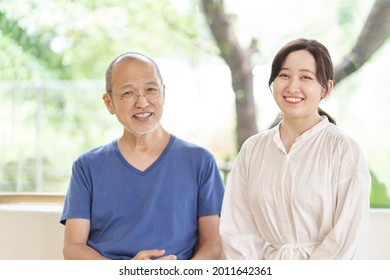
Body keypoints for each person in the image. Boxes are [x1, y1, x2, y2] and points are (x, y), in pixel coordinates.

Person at [60, 52, 225, 260]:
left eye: (151, 90)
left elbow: (212, 244)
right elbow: (73, 248)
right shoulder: (86, 166)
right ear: (109, 102)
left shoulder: (200, 162)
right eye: (128, 93)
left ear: (163, 93)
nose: (142, 103)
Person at [219, 38, 371, 260]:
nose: (292, 86)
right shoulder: (253, 149)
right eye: (284, 75)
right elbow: (237, 228)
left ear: (326, 88)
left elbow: (346, 236)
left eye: (306, 77)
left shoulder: (344, 149)